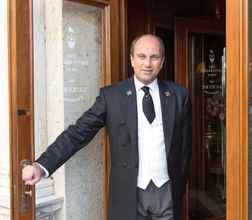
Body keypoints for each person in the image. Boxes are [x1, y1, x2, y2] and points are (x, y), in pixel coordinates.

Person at [22, 34, 192, 220]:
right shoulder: (111, 97)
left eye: (154, 57)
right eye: (141, 56)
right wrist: (41, 165)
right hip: (128, 193)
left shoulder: (178, 96)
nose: (147, 64)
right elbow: (78, 132)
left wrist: (178, 185)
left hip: (166, 192)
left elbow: (185, 149)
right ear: (131, 60)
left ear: (162, 61)